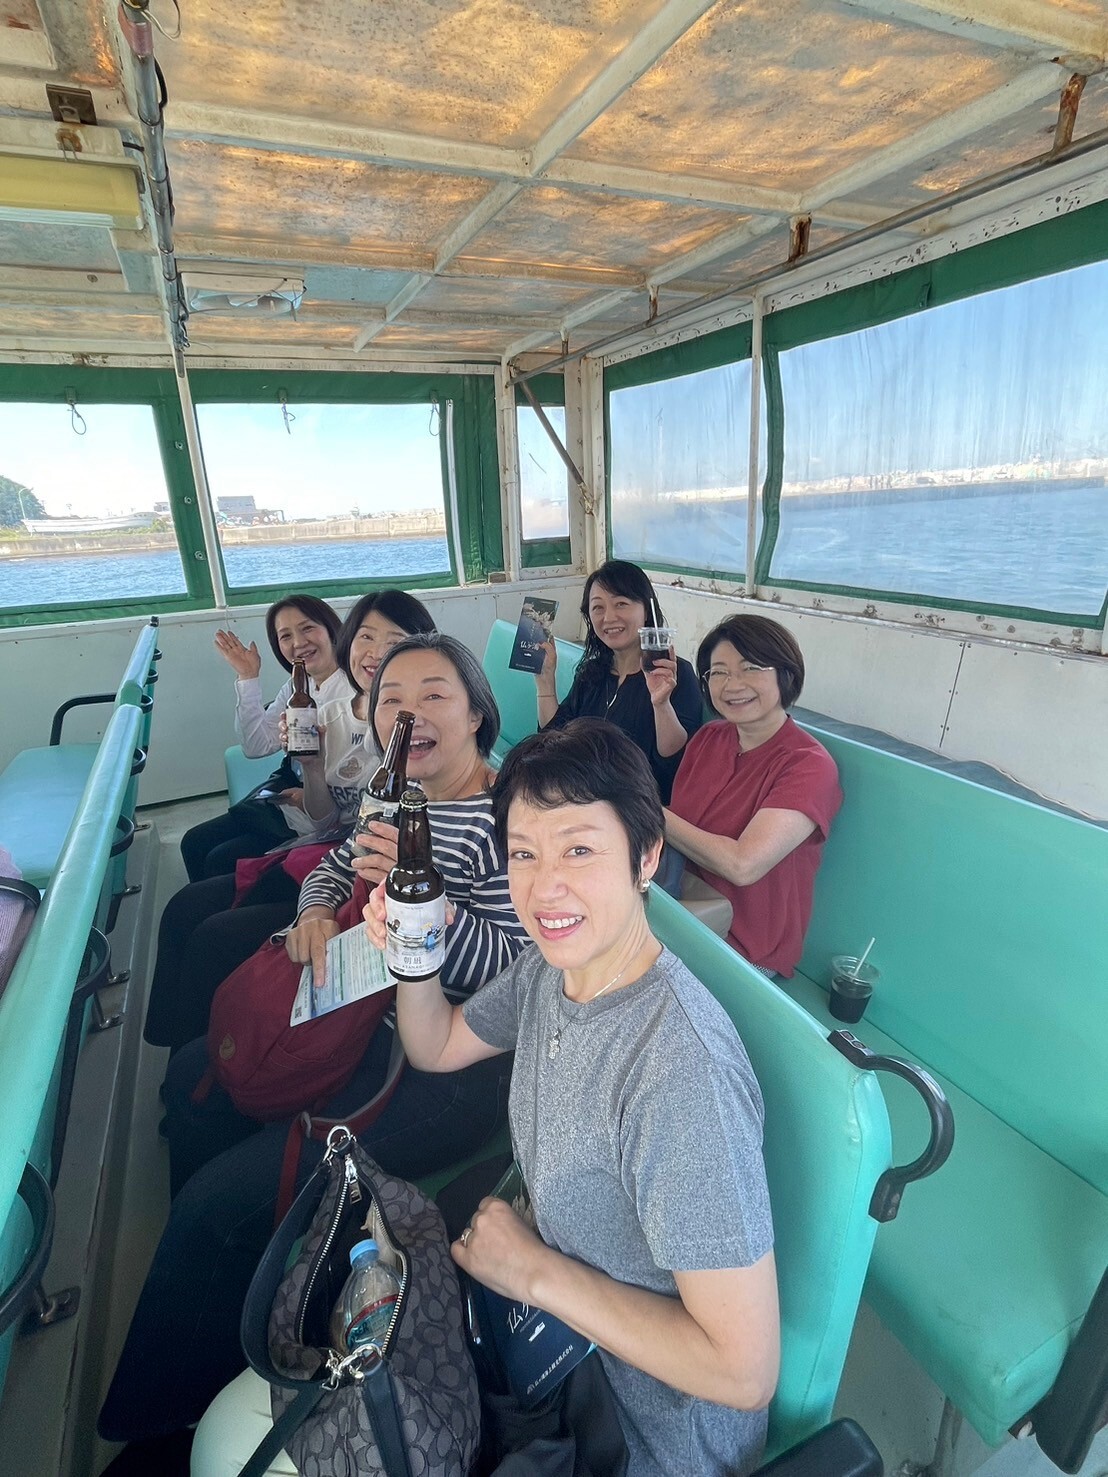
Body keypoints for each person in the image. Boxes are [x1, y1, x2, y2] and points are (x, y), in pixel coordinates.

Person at [98, 634, 529, 1453]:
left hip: (450, 1070)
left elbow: (515, 969)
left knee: (214, 1203)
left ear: (478, 713)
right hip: (361, 1017)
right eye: (392, 698)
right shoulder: (398, 795)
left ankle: (166, 1423)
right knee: (195, 1074)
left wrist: (420, 895)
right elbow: (335, 863)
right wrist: (316, 912)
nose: (409, 713)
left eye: (435, 694)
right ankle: (224, 1292)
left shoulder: (510, 821)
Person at [142, 591, 436, 1056]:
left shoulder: (419, 734)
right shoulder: (334, 711)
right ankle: (187, 1052)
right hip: (333, 855)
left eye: (394, 640)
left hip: (359, 881)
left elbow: (381, 841)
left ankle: (203, 1059)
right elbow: (334, 823)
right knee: (192, 904)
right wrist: (312, 768)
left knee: (209, 930)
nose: (376, 652)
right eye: (366, 637)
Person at [665, 614, 842, 978]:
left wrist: (647, 810)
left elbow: (743, 865)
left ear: (785, 675)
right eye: (719, 672)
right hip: (679, 913)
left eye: (750, 668)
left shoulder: (808, 765)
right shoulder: (708, 738)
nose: (733, 684)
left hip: (743, 949)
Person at [180, 595, 348, 883]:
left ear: (331, 629)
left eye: (308, 628)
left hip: (320, 816)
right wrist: (248, 677)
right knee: (194, 842)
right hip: (287, 798)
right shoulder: (298, 685)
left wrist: (308, 796)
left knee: (219, 859)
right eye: (286, 636)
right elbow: (256, 746)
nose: (298, 643)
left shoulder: (353, 689)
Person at [534, 559, 702, 803]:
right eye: (598, 607)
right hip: (582, 795)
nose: (609, 617)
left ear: (646, 610)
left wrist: (661, 704)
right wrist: (545, 680)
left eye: (621, 604)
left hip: (637, 805)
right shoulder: (593, 672)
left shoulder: (675, 674)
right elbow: (554, 737)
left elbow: (673, 766)